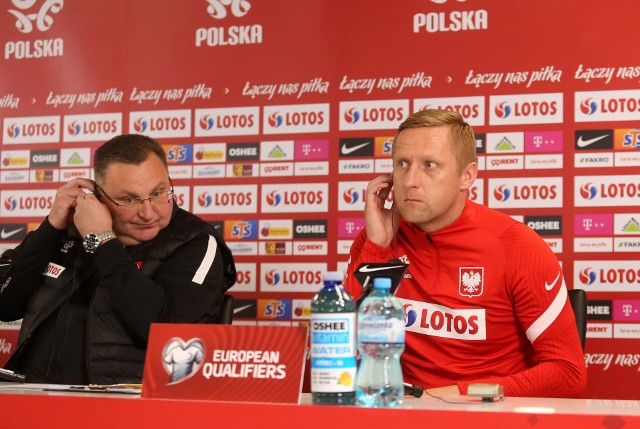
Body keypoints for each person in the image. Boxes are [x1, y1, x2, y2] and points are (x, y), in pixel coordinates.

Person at [344, 109, 587, 398]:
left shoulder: (517, 246)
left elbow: (568, 372)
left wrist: (456, 394)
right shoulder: (378, 237)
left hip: (488, 417)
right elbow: (339, 346)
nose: (410, 180)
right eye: (402, 164)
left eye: (430, 165)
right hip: (398, 413)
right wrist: (377, 247)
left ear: (467, 176)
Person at [0, 134, 236, 385]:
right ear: (99, 197)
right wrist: (50, 228)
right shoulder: (67, 231)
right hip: (30, 395)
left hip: (123, 406)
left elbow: (164, 330)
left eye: (158, 193)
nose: (148, 212)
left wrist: (101, 241)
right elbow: (6, 305)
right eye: (129, 199)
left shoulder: (195, 241)